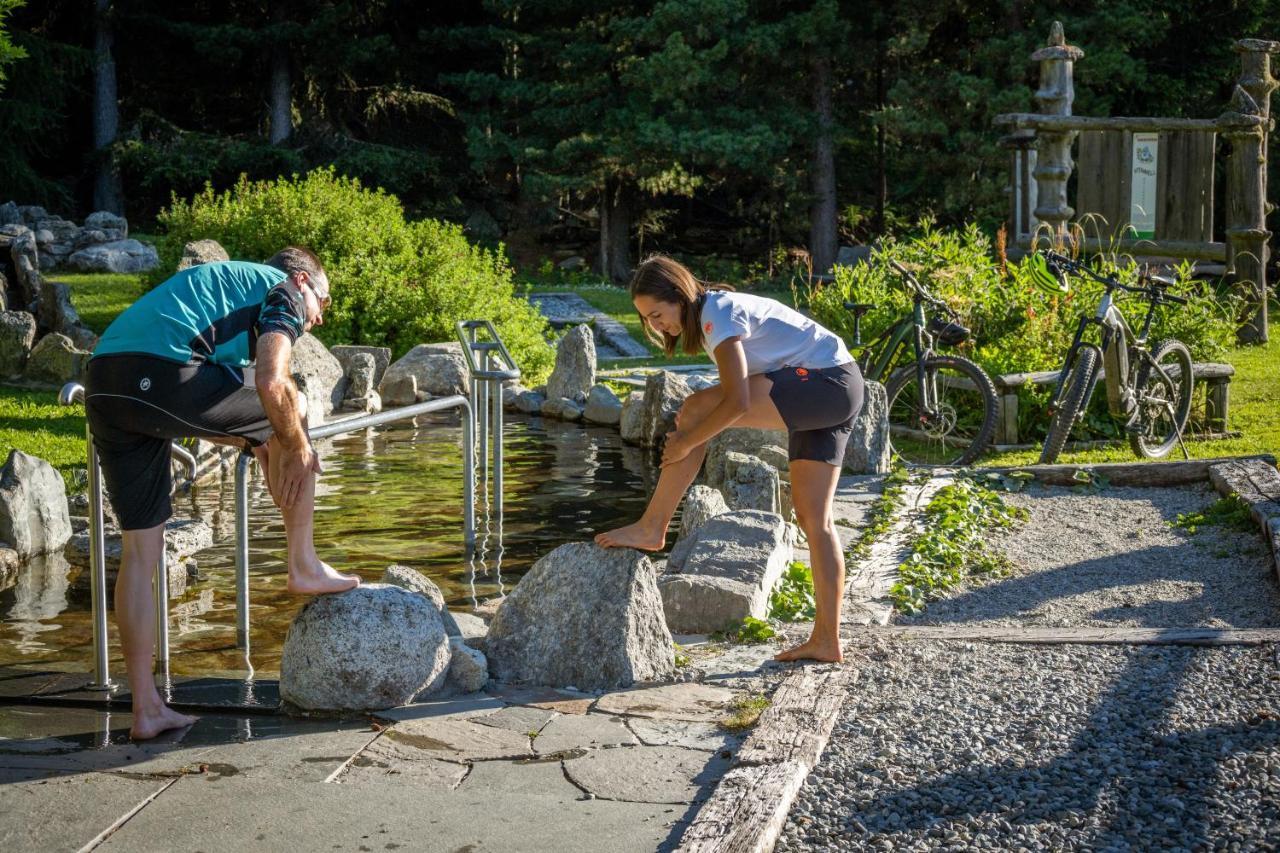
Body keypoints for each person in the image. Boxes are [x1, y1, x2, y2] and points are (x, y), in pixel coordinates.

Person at [85, 247, 359, 739]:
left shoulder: (228, 291)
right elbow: (273, 384)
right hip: (158, 372)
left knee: (141, 554)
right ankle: (304, 565)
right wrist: (296, 446)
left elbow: (219, 402)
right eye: (325, 300)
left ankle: (146, 708)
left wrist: (260, 439)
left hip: (105, 382)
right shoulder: (282, 292)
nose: (318, 317)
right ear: (302, 281)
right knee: (292, 404)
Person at [595, 255, 864, 663]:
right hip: (840, 386)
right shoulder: (716, 313)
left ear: (679, 296)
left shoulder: (716, 312)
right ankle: (827, 640)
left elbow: (736, 400)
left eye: (657, 314)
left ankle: (653, 526)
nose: (656, 326)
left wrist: (685, 443)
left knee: (695, 411)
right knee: (815, 519)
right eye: (647, 320)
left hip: (826, 384)